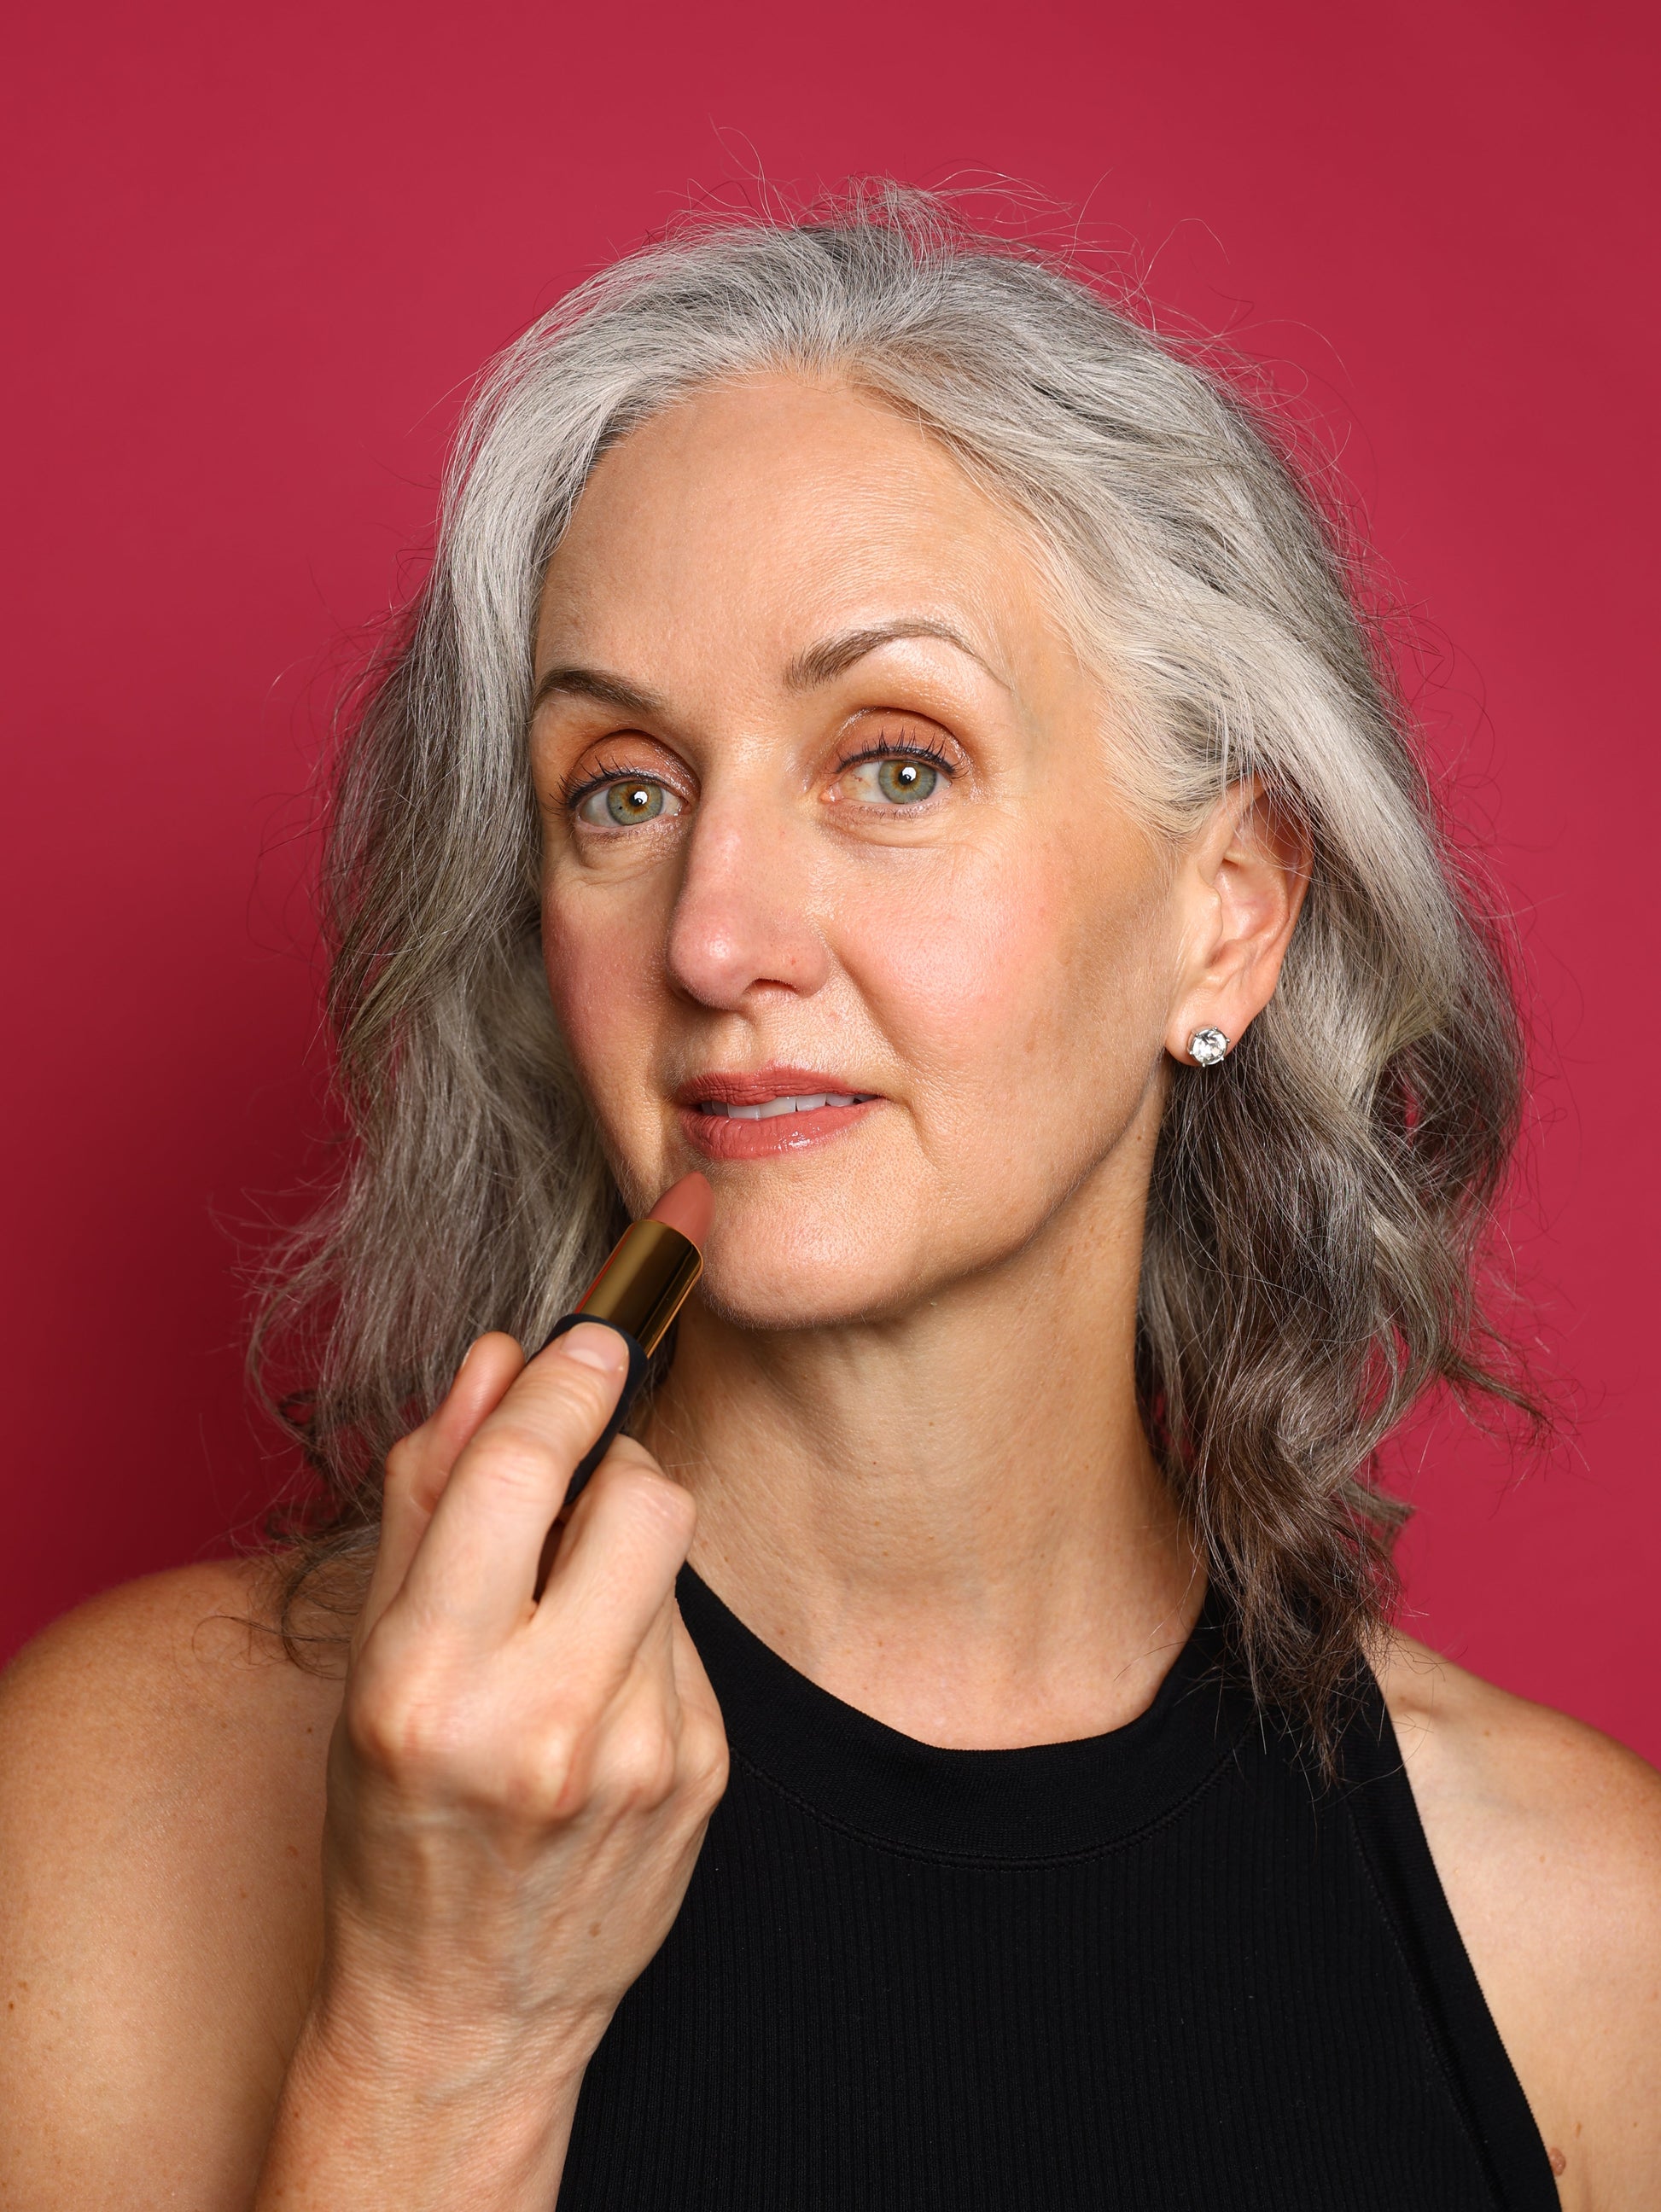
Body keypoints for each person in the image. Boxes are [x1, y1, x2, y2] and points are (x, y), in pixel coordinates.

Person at [1, 186, 1656, 2211]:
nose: (713, 936)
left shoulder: (1585, 1939)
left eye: (893, 766)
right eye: (621, 789)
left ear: (1225, 912)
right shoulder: (131, 1812)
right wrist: (437, 2049)